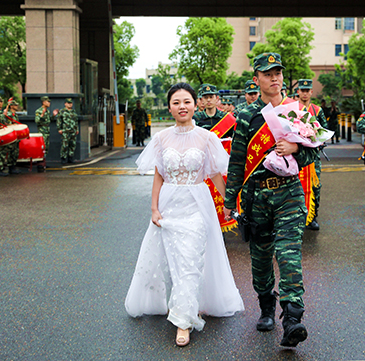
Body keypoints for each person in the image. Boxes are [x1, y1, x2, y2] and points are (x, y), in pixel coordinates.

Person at [125, 82, 244, 347]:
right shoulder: (161, 138)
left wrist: (228, 202)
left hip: (196, 203)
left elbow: (214, 173)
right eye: (176, 102)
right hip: (169, 204)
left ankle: (183, 320)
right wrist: (154, 208)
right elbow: (158, 176)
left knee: (189, 259)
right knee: (172, 261)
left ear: (196, 104)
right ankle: (182, 302)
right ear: (169, 107)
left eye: (187, 101)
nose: (182, 107)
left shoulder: (207, 137)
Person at [223, 53, 318, 348]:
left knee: (288, 254)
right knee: (261, 257)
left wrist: (294, 149)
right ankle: (266, 305)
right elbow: (238, 161)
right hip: (256, 198)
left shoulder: (297, 111)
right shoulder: (246, 116)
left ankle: (292, 319)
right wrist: (230, 200)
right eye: (268, 73)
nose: (274, 77)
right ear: (257, 80)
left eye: (278, 72)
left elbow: (313, 151)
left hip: (289, 193)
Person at [297, 78, 328, 231]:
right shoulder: (291, 109)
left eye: (307, 90)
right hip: (295, 156)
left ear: (311, 92)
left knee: (315, 187)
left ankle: (313, 216)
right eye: (301, 90)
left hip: (313, 156)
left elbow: (324, 130)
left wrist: (320, 140)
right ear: (298, 92)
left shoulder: (317, 110)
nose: (304, 93)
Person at [57, 98, 79, 164]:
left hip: (73, 131)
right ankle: (63, 158)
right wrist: (59, 129)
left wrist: (76, 129)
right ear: (65, 104)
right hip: (65, 131)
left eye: (71, 103)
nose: (70, 104)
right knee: (65, 145)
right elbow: (59, 121)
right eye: (68, 103)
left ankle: (70, 157)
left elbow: (76, 121)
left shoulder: (73, 112)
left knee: (72, 145)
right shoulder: (62, 111)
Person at [35, 96, 52, 172]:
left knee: (46, 147)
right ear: (43, 102)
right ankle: (40, 164)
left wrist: (54, 116)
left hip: (47, 130)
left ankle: (44, 162)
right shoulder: (39, 111)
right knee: (42, 147)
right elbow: (37, 121)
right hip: (42, 131)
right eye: (47, 101)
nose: (49, 103)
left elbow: (49, 120)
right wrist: (41, 115)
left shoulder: (47, 111)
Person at [6, 100, 21, 174]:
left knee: (15, 152)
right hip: (12, 136)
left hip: (16, 136)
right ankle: (10, 167)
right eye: (15, 105)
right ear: (11, 106)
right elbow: (8, 125)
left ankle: (13, 166)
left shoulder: (15, 115)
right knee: (11, 152)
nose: (16, 106)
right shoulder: (9, 115)